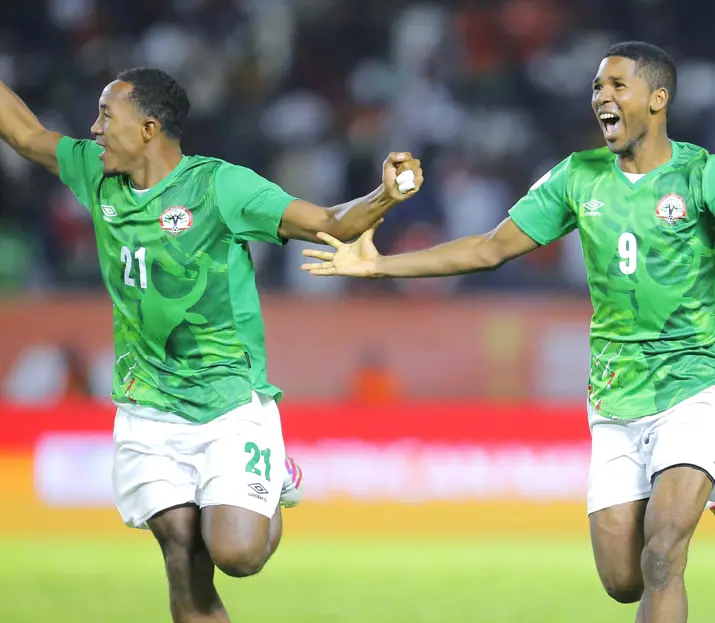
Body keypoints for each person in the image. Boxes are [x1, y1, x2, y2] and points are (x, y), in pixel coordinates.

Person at [299, 42, 715, 622]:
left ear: (657, 99)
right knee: (621, 578)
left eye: (616, 86)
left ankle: (706, 475)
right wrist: (380, 264)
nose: (601, 98)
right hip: (614, 396)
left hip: (697, 383)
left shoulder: (703, 175)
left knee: (665, 551)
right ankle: (714, 485)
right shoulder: (578, 177)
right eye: (596, 89)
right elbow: (492, 248)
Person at [0, 68, 423, 622]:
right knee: (182, 552)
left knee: (238, 553)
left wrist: (383, 196)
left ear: (149, 128)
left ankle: (273, 475)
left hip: (228, 400)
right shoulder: (95, 173)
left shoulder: (220, 186)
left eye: (107, 115)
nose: (93, 128)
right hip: (146, 403)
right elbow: (27, 135)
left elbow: (327, 222)